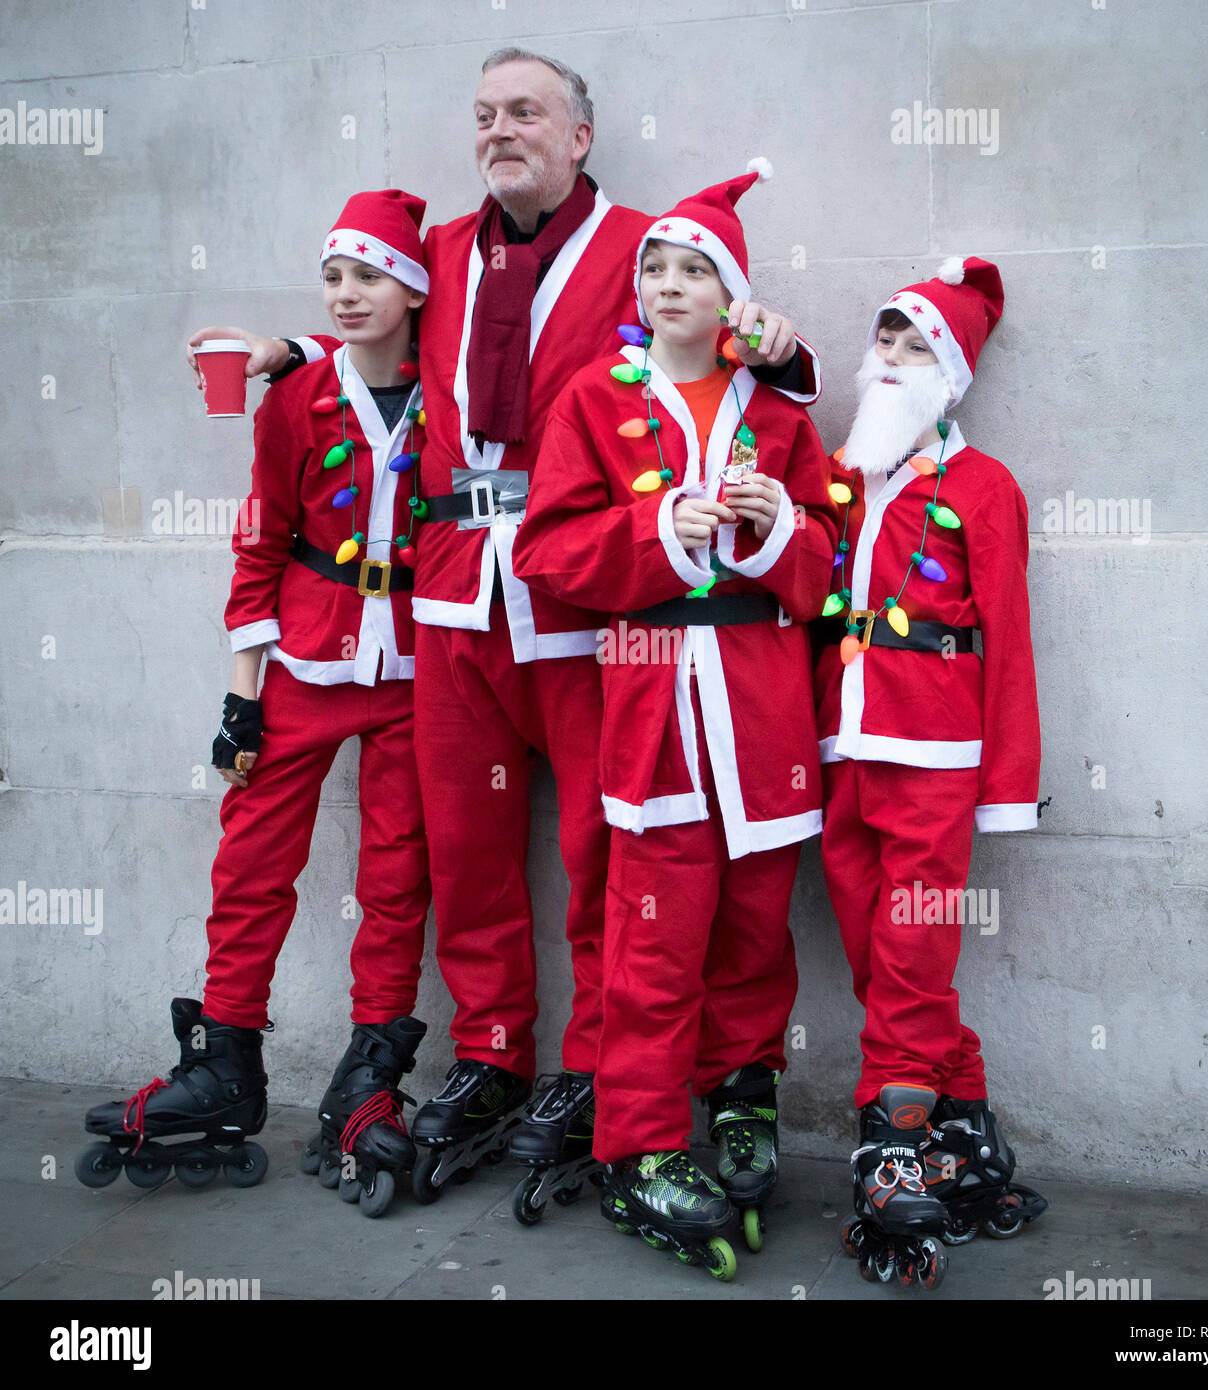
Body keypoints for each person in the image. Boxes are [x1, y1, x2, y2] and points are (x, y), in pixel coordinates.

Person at [186, 49, 821, 1205]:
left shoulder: (643, 245)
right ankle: (489, 1049)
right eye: (483, 116)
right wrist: (296, 351)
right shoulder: (434, 255)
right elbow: (368, 327)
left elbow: (725, 349)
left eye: (524, 112)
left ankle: (594, 1068)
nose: (499, 131)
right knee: (466, 846)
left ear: (580, 135)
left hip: (587, 603)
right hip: (447, 595)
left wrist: (781, 346)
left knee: (597, 847)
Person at [76, 190, 434, 1220]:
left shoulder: (445, 388)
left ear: (412, 288)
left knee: (398, 874)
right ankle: (227, 1056)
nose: (347, 293)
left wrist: (297, 338)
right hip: (307, 666)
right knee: (253, 860)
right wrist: (244, 698)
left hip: (416, 672)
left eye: (369, 275)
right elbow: (261, 544)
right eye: (333, 277)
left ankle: (372, 1069)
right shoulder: (294, 400)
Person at [514, 163, 835, 1277]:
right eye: (653, 265)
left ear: (732, 296)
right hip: (651, 715)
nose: (665, 283)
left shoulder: (780, 416)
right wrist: (663, 530)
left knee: (753, 929)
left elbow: (822, 580)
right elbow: (547, 552)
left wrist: (772, 529)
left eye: (693, 268)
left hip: (760, 721)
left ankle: (743, 1094)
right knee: (652, 939)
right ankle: (640, 1142)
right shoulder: (595, 403)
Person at [815, 257, 1047, 1288]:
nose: (891, 361)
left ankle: (888, 1152)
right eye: (884, 341)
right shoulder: (840, 479)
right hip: (842, 749)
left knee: (909, 956)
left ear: (948, 375)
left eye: (915, 346)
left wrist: (1005, 784)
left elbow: (1012, 639)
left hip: (936, 756)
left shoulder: (984, 487)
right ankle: (964, 1127)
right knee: (876, 954)